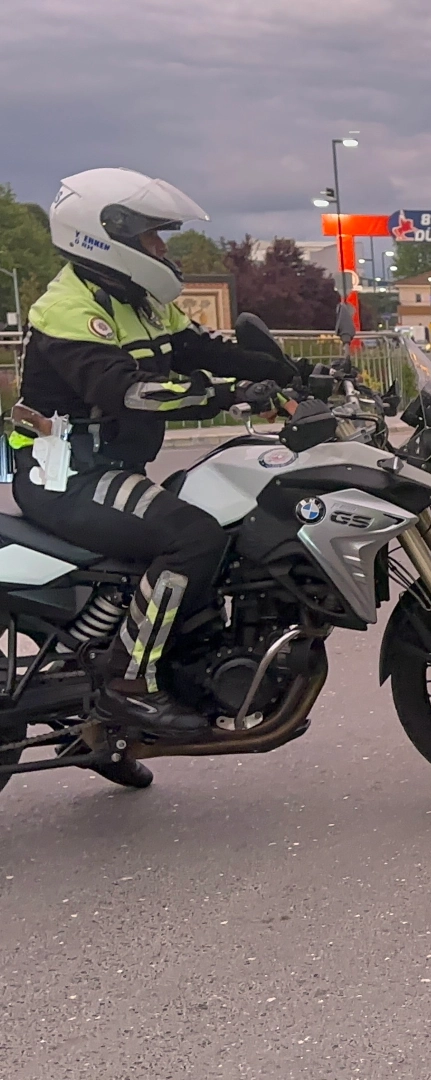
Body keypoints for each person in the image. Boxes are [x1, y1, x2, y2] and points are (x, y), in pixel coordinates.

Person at [13, 168, 292, 741]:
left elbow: (204, 348)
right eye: (151, 236)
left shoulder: (137, 303)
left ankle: (145, 704)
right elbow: (130, 391)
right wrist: (232, 396)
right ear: (106, 234)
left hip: (110, 471)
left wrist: (296, 372)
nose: (161, 248)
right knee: (192, 538)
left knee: (228, 522)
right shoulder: (67, 308)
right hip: (69, 478)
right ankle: (130, 683)